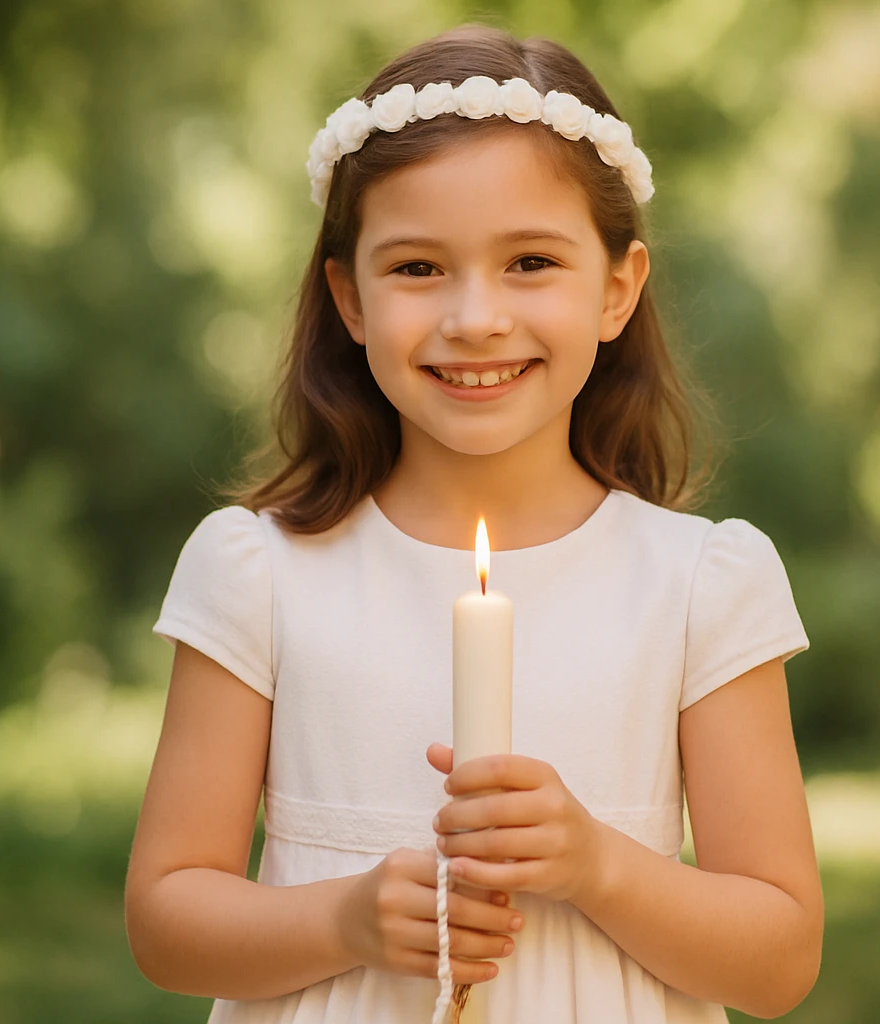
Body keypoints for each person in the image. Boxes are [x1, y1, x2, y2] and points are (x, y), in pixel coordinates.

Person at [124, 22, 822, 1024]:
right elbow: (165, 917)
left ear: (618, 289)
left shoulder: (699, 584)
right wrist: (349, 920)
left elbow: (780, 960)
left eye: (531, 261)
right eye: (417, 268)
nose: (475, 317)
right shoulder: (261, 572)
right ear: (349, 296)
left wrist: (598, 866)